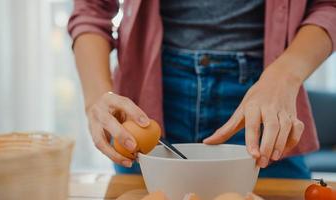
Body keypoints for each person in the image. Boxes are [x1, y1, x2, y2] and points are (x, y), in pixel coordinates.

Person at [68, 0, 336, 179]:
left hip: (263, 101)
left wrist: (283, 76)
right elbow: (92, 9)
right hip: (149, 97)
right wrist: (97, 99)